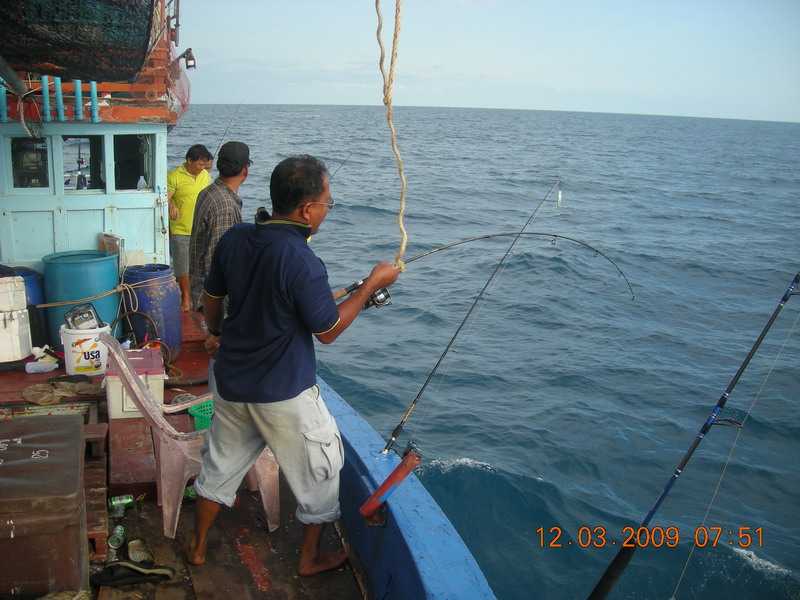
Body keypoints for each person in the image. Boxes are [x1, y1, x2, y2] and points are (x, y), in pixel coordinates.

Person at [186, 155, 400, 575]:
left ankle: (195, 547)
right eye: (327, 203)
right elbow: (328, 330)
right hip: (283, 394)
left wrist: (218, 331)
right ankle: (309, 558)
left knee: (219, 467)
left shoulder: (235, 239)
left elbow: (212, 300)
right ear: (306, 210)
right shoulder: (303, 262)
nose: (326, 210)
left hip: (230, 386)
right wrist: (372, 284)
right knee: (322, 472)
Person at [188, 141, 251, 312]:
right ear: (245, 170)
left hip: (202, 292)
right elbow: (218, 263)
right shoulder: (225, 206)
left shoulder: (208, 191)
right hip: (212, 303)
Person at [167, 144, 213, 311]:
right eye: (200, 164)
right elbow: (166, 198)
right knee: (183, 266)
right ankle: (185, 298)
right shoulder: (174, 177)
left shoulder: (205, 176)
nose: (203, 168)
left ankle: (202, 297)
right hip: (181, 229)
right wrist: (171, 205)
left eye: (205, 165)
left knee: (203, 265)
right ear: (189, 160)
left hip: (202, 229)